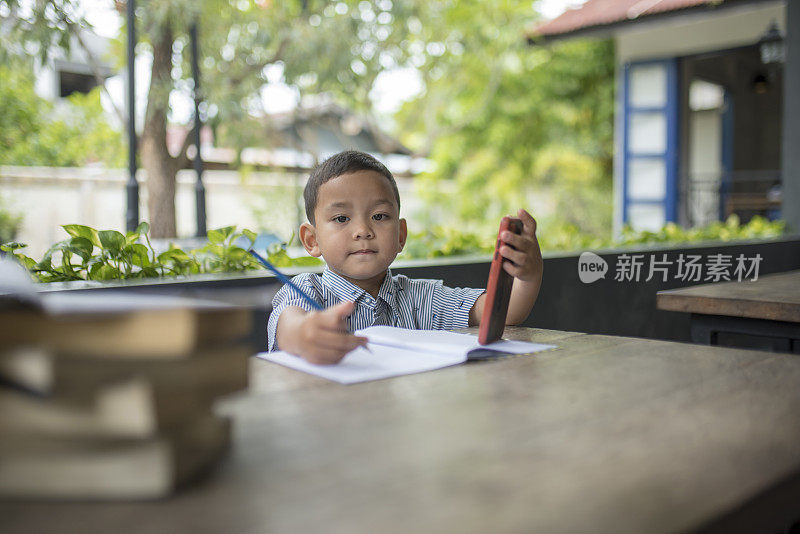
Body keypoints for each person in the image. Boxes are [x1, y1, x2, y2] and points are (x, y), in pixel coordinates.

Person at [267, 150, 543, 364]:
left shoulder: (424, 298)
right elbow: (289, 326)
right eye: (341, 218)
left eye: (379, 216)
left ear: (401, 235)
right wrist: (305, 335)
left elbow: (504, 314)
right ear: (312, 240)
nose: (363, 230)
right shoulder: (305, 290)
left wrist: (527, 276)